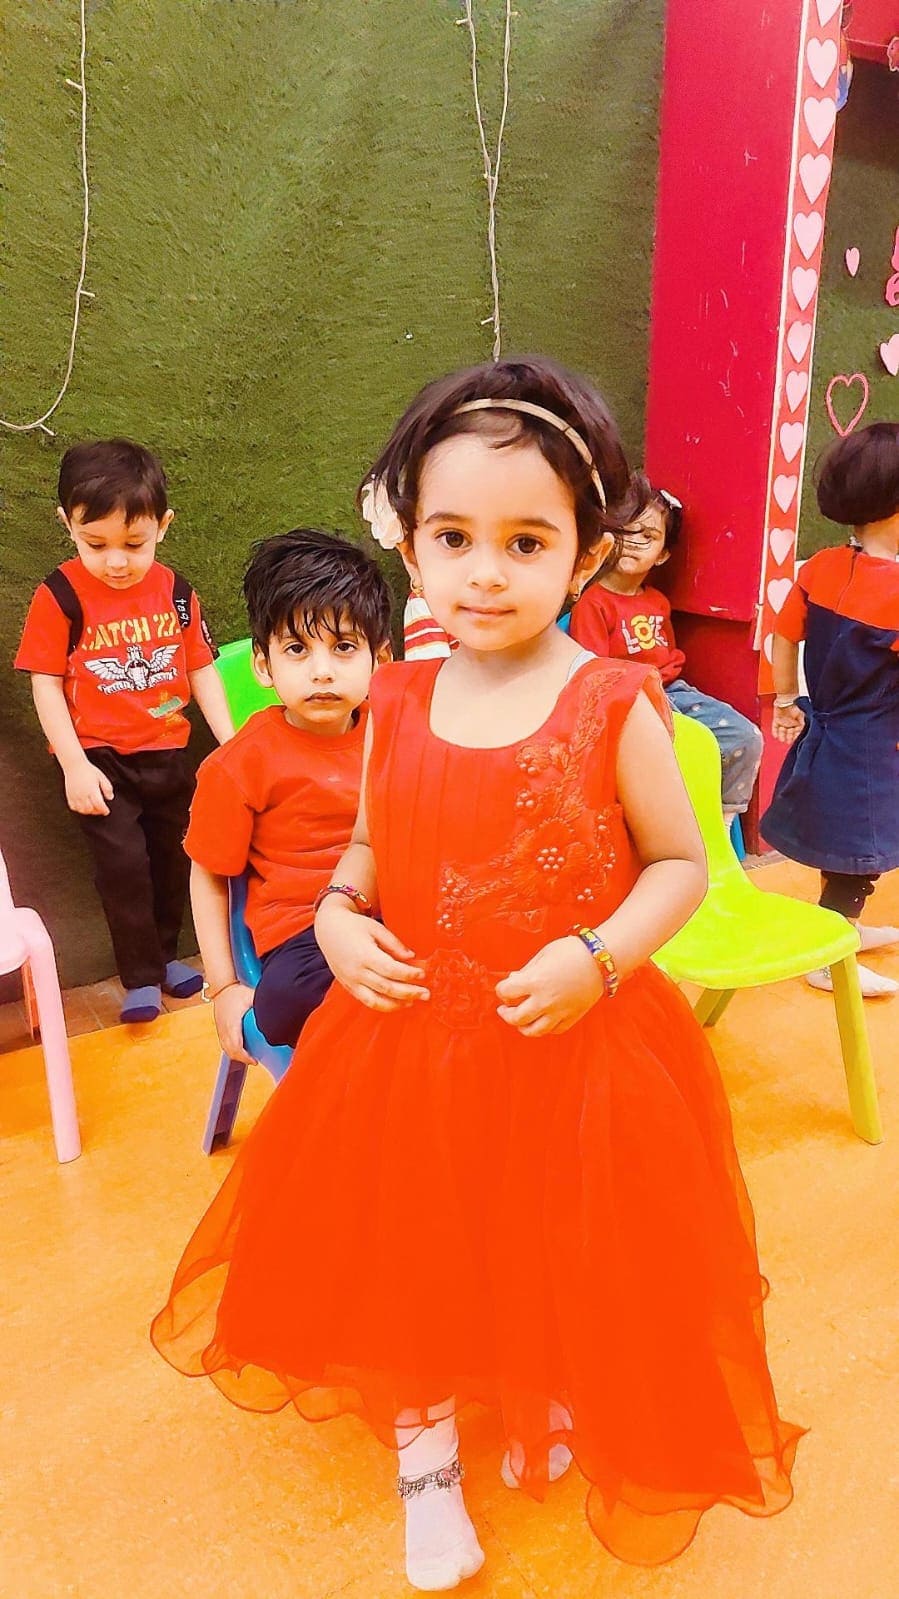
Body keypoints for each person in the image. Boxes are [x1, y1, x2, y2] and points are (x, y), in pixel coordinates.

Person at [152, 358, 802, 1591]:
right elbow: (365, 850)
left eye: (525, 541)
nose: (484, 572)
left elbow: (678, 867)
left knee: (554, 1235)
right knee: (416, 1248)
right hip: (411, 1041)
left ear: (587, 551)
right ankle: (426, 1460)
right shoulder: (396, 699)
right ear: (408, 539)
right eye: (452, 538)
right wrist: (336, 915)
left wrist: (598, 957)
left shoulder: (615, 701)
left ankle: (542, 1381)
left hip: (573, 1039)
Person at [15, 439, 233, 1023]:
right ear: (67, 525)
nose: (116, 561)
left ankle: (165, 959)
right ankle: (139, 977)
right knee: (124, 871)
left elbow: (202, 670)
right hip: (99, 762)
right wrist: (74, 765)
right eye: (96, 544)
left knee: (173, 862)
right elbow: (44, 685)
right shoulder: (59, 596)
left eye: (134, 544)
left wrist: (233, 742)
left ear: (164, 525)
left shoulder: (177, 592)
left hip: (168, 755)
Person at [186, 529, 392, 1057]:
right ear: (263, 664)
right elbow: (209, 875)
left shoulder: (397, 734)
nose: (322, 671)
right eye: (297, 649)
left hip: (394, 912)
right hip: (304, 937)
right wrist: (224, 987)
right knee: (282, 1003)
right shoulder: (239, 764)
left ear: (381, 658)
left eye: (344, 647)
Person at [761, 422, 899, 998]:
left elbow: (783, 635)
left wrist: (786, 697)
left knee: (847, 840)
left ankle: (842, 928)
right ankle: (829, 956)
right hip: (872, 742)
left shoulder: (820, 566)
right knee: (860, 844)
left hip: (828, 727)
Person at [569, 482, 764, 819]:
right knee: (677, 750)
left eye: (647, 535)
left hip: (673, 692)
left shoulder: (657, 602)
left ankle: (722, 819)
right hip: (629, 700)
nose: (633, 542)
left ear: (662, 554)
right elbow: (594, 674)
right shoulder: (593, 602)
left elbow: (668, 656)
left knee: (745, 735)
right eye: (625, 530)